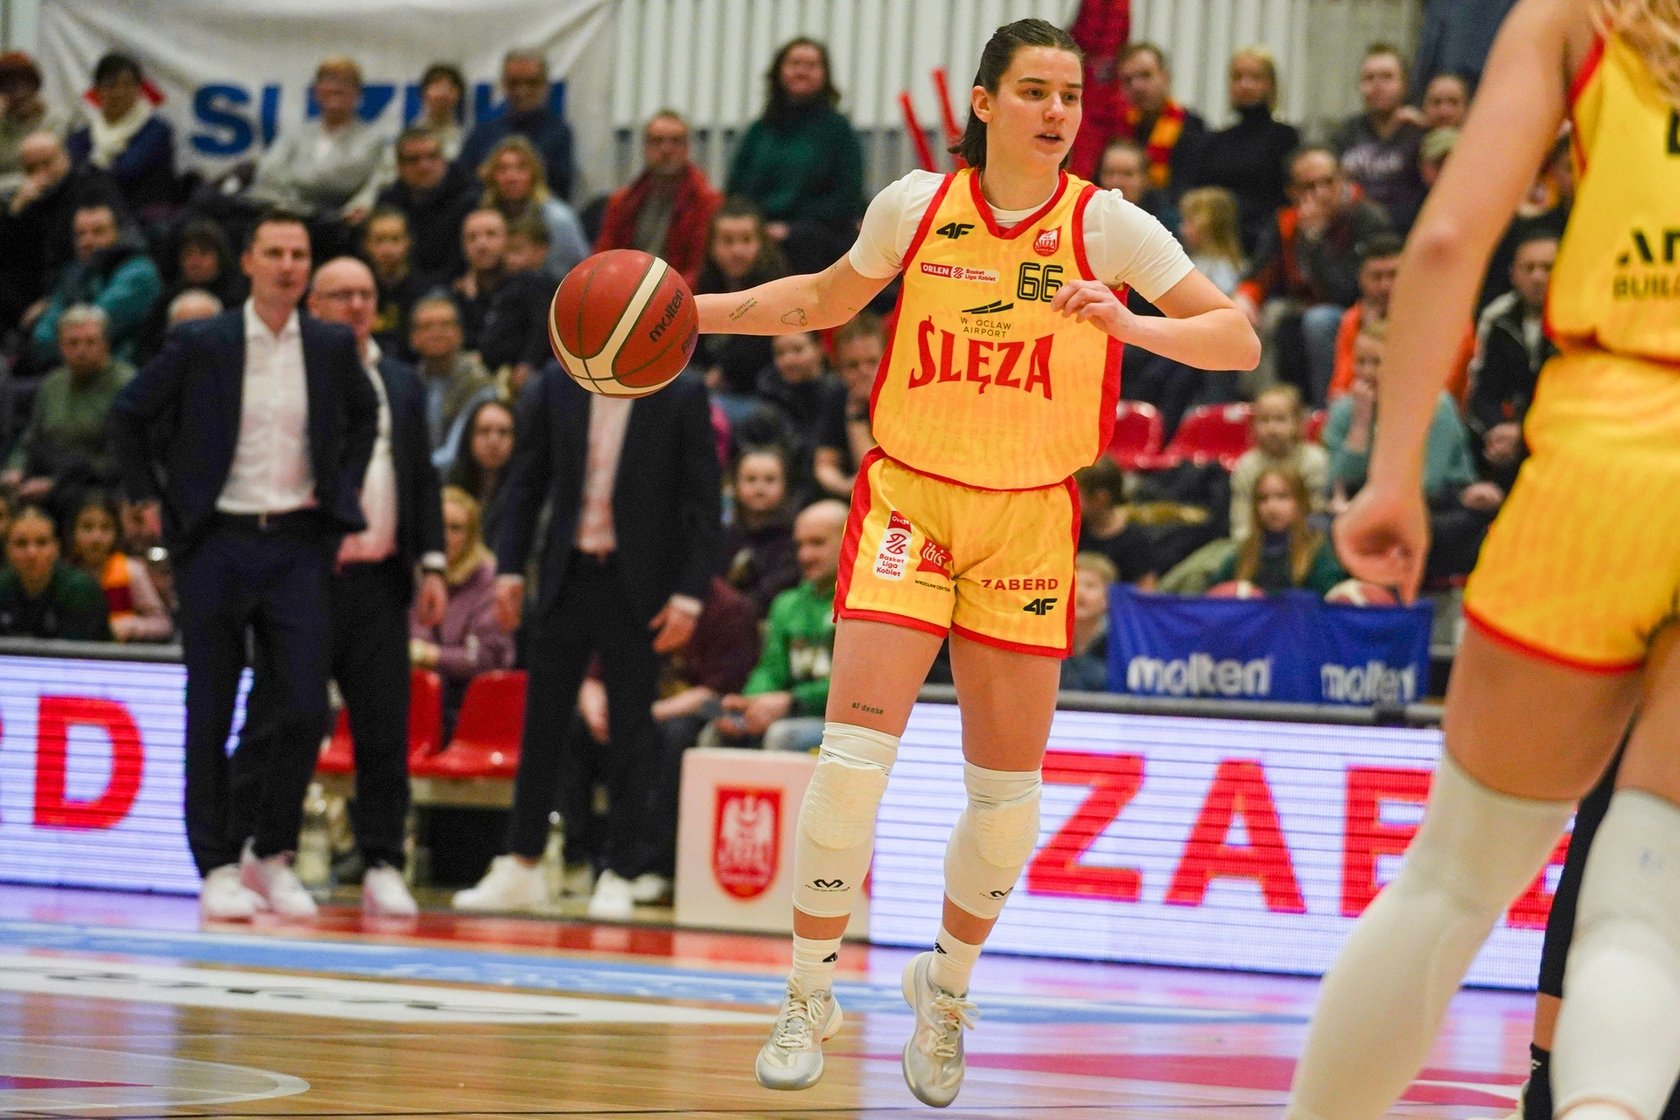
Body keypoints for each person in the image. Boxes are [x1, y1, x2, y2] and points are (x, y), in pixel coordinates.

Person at [692, 18, 1258, 1105]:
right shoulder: (916, 205)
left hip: (1028, 521)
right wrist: (690, 315)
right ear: (987, 103)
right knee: (851, 765)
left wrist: (1128, 325)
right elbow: (822, 300)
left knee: (1007, 803)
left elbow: (1236, 339)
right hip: (911, 500)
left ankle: (944, 986)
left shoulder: (1109, 225)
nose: (1057, 111)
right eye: (1035, 90)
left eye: (1070, 95)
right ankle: (808, 991)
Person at [1284, 2, 1680, 1114]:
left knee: (1455, 881)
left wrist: (1392, 471)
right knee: (1651, 906)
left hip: (1613, 450)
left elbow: (1448, 240)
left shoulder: (1583, 18)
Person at [107, 208, 379, 923]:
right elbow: (129, 412)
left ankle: (271, 852)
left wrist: (342, 492)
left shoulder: (329, 345)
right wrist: (146, 498)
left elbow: (365, 416)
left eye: (299, 254)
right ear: (250, 262)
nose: (288, 266)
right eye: (275, 253)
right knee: (211, 705)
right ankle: (217, 863)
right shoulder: (206, 340)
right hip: (217, 542)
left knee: (304, 705)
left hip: (296, 543)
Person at [451, 358, 721, 920]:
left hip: (640, 583)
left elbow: (703, 501)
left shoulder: (680, 391)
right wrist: (508, 568)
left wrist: (690, 595)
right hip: (567, 572)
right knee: (542, 723)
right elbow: (527, 480)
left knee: (632, 728)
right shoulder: (557, 382)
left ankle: (621, 871)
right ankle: (522, 862)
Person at [233, 255, 445, 917]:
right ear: (314, 306)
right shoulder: (295, 374)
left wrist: (433, 562)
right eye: (341, 295)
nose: (356, 305)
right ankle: (264, 852)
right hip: (305, 576)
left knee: (384, 726)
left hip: (380, 579)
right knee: (288, 717)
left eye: (366, 294)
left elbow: (421, 477)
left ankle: (383, 860)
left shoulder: (401, 381)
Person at [1236, 146, 1392, 403]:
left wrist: (1316, 241)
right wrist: (1244, 299)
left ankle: (1323, 409)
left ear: (1342, 179)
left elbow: (1346, 291)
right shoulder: (1287, 221)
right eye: (1309, 187)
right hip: (1301, 305)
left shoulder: (1367, 217)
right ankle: (1268, 407)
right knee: (1254, 315)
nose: (1321, 193)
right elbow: (1258, 272)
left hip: (1354, 310)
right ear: (1292, 192)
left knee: (1319, 320)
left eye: (1328, 182)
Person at [709, 499, 846, 753]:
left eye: (817, 543)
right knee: (718, 730)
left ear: (849, 542)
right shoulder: (786, 604)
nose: (804, 556)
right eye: (799, 545)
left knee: (781, 736)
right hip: (791, 711)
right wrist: (750, 703)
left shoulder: (863, 605)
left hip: (841, 723)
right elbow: (771, 671)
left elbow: (854, 686)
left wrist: (792, 702)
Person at [725, 38, 865, 275]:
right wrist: (757, 227)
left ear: (824, 74)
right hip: (758, 236)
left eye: (811, 65)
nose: (802, 71)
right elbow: (737, 189)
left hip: (818, 238)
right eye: (794, 63)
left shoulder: (839, 130)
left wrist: (790, 229)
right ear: (779, 71)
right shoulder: (759, 130)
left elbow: (847, 197)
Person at [409, 485, 514, 738]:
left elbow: (486, 659)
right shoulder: (414, 571)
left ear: (471, 536)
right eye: (438, 526)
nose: (444, 537)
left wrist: (427, 654)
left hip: (469, 705)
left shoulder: (488, 580)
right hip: (411, 698)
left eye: (455, 528)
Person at [3, 305, 133, 502]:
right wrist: (16, 469)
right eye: (72, 343)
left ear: (106, 344)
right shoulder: (52, 385)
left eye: (90, 342)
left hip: (100, 485)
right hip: (47, 476)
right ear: (61, 348)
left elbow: (119, 459)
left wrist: (57, 483)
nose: (81, 350)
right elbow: (30, 440)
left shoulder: (127, 385)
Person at [245, 57, 383, 230]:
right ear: (316, 90)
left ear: (358, 93)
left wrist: (360, 205)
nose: (336, 88)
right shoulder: (294, 133)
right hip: (285, 215)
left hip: (338, 225)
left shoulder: (373, 139)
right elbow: (268, 173)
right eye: (328, 80)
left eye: (345, 82)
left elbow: (365, 183)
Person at [1467, 229, 1558, 485]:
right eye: (1528, 268)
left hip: (1563, 432)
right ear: (1513, 273)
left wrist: (1526, 431)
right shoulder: (1497, 318)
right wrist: (1498, 430)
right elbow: (1482, 392)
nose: (1537, 277)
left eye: (1547, 267)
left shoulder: (1577, 321)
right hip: (1508, 438)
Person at [594, 110, 722, 288]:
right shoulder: (622, 201)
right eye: (657, 141)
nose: (666, 149)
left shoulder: (707, 203)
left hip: (680, 293)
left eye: (676, 141)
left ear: (687, 147)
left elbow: (701, 271)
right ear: (644, 147)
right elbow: (603, 259)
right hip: (626, 289)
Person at [1191, 46, 1300, 254]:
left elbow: (1287, 197)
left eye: (1255, 77)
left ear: (1270, 84)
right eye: (1237, 77)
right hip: (1218, 245)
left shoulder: (1285, 137)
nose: (1245, 85)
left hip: (1266, 244)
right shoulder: (1214, 141)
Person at [29, 201, 162, 369]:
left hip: (127, 370)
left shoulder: (139, 271)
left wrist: (67, 341)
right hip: (74, 371)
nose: (87, 241)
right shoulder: (73, 274)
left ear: (118, 233)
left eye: (98, 231)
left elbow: (92, 328)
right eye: (80, 234)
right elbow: (42, 338)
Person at [693, 198, 786, 422]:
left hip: (764, 399)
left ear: (761, 243)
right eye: (727, 241)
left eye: (746, 240)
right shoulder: (705, 285)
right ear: (712, 246)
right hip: (712, 392)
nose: (737, 250)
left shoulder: (779, 288)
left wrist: (721, 372)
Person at [1331, 43, 1430, 234]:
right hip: (1356, 236)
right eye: (1369, 78)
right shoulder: (1344, 133)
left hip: (1409, 234)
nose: (1377, 86)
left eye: (1387, 77)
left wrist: (1428, 127)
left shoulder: (1420, 132)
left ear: (1404, 84)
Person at [65, 52, 176, 220]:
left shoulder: (157, 130)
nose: (119, 93)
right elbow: (69, 171)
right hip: (90, 218)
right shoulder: (83, 135)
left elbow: (126, 172)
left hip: (143, 220)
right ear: (97, 91)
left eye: (127, 85)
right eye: (111, 85)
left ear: (139, 90)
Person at [456, 49, 575, 203]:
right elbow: (462, 180)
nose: (522, 91)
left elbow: (560, 190)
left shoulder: (558, 132)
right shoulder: (484, 129)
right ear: (504, 84)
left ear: (545, 85)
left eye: (532, 83)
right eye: (514, 83)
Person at [1209, 466, 1345, 595]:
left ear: (1301, 502)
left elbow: (1332, 601)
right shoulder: (1243, 554)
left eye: (1282, 496)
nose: (1272, 507)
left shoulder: (1318, 552)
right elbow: (1213, 597)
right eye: (1263, 498)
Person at [476, 135, 588, 279]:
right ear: (492, 177)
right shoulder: (484, 217)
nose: (511, 177)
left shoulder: (558, 219)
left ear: (534, 174)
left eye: (521, 168)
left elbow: (580, 270)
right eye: (503, 169)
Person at [1227, 384, 1329, 541]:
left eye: (1280, 419)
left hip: (1307, 542)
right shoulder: (1247, 466)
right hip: (1260, 545)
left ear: (1298, 423)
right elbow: (1241, 524)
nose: (1272, 428)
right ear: (1253, 425)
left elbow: (1320, 516)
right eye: (1264, 420)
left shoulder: (1316, 461)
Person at [65, 491, 171, 642]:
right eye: (87, 527)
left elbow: (163, 624)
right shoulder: (64, 574)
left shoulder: (132, 570)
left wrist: (129, 626)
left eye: (105, 528)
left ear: (116, 532)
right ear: (72, 531)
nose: (96, 538)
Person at [375, 126, 477, 280]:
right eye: (413, 160)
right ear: (399, 167)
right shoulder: (388, 203)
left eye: (432, 157)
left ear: (443, 160)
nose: (424, 166)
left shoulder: (469, 198)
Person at [0, 504, 111, 640]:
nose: (31, 553)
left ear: (56, 548)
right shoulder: (2, 587)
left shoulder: (80, 590)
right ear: (7, 549)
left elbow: (78, 650)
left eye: (41, 542)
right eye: (21, 543)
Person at [409, 295, 494, 468]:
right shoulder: (407, 382)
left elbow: (457, 450)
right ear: (413, 338)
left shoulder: (477, 381)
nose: (437, 333)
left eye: (445, 325)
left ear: (460, 333)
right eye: (427, 326)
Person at [1113, 43, 1206, 200]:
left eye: (1146, 75)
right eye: (1128, 80)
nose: (1137, 86)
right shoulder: (1117, 129)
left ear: (1165, 77)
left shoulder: (1192, 127)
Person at [722, 445, 799, 619]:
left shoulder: (796, 535)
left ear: (786, 484)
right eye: (750, 479)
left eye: (770, 480)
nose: (759, 488)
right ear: (735, 484)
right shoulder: (724, 535)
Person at [362, 208, 438, 362]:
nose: (387, 248)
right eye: (379, 240)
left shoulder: (427, 293)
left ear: (408, 242)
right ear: (367, 245)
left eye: (395, 239)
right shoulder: (359, 293)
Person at [1074, 457, 1158, 589]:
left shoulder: (1135, 540)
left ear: (1101, 498)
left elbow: (1145, 590)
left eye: (1075, 495)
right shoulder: (1072, 531)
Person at [445, 396, 514, 546]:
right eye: (484, 431)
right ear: (469, 437)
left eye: (503, 432)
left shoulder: (525, 496)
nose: (493, 441)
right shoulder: (449, 487)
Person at [0, 51, 70, 197]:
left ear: (35, 85)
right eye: (8, 87)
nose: (17, 94)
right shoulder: (2, 125)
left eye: (23, 84)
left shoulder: (59, 121)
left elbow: (52, 174)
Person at [450, 207, 508, 353]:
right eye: (472, 237)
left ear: (507, 240)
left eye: (491, 234)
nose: (481, 245)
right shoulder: (454, 296)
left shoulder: (530, 287)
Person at [1060, 552, 1115, 691]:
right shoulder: (1049, 637)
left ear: (1107, 598)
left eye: (1090, 586)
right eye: (1074, 584)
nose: (1079, 592)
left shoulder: (1119, 641)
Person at [1177, 186, 1245, 296]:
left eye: (1189, 221)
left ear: (1209, 226)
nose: (1182, 229)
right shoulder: (1195, 261)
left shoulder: (1224, 269)